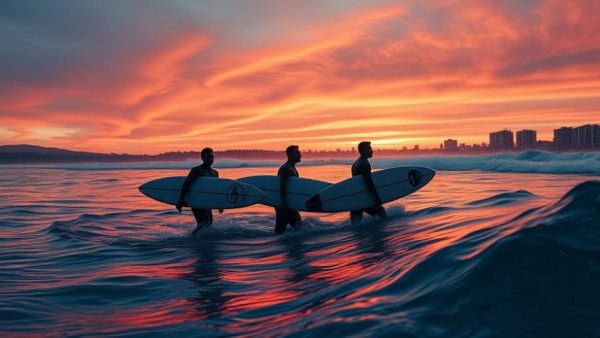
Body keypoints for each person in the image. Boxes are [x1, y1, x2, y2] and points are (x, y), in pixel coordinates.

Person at [176, 147, 223, 235]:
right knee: (204, 224)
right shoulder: (197, 170)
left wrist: (220, 204)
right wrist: (181, 200)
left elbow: (215, 190)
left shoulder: (215, 173)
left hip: (207, 202)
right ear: (202, 157)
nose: (211, 159)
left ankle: (197, 239)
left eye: (212, 157)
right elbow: (187, 184)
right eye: (208, 157)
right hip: (197, 201)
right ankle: (192, 239)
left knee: (209, 224)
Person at [350, 141, 386, 223]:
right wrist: (376, 197)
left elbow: (356, 182)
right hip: (363, 198)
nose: (372, 150)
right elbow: (368, 182)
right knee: (383, 215)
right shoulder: (364, 163)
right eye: (369, 148)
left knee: (355, 228)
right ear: (363, 150)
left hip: (356, 198)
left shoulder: (356, 162)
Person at [275, 145, 302, 234]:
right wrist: (284, 203)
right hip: (285, 205)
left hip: (288, 204)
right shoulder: (286, 169)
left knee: (280, 231)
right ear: (290, 155)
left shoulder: (292, 168)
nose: (300, 154)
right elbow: (282, 186)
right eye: (297, 153)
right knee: (298, 229)